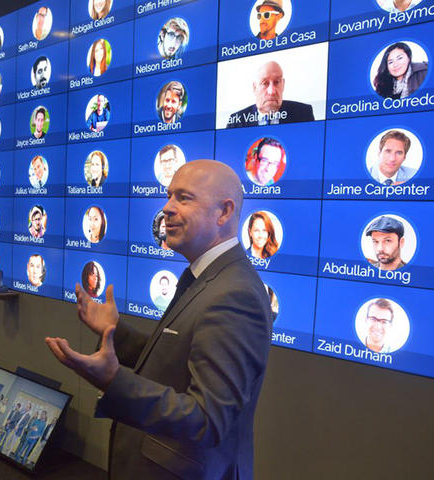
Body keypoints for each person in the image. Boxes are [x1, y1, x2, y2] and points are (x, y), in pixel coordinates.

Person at [45, 160, 272, 480]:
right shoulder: (208, 276)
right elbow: (175, 358)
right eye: (169, 196)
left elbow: (208, 419)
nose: (167, 208)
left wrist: (114, 380)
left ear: (224, 212)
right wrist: (114, 332)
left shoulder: (234, 295)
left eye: (184, 198)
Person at [227, 61, 315, 128]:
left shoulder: (304, 114)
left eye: (277, 82)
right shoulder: (236, 121)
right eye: (265, 83)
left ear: (283, 85)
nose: (272, 91)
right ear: (254, 87)